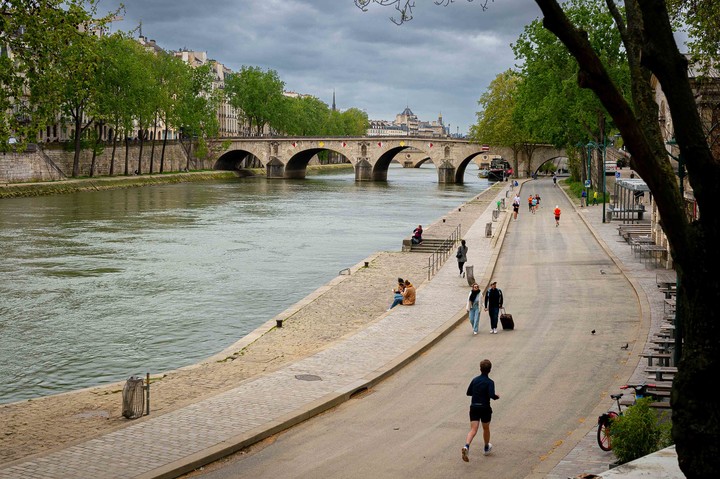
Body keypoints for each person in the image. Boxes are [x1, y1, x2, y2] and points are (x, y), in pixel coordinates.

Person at [461, 359, 500, 462]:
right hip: (485, 408)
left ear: (480, 368)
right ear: (490, 370)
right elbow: (491, 395)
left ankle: (466, 446)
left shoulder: (474, 380)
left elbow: (468, 393)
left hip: (474, 407)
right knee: (485, 428)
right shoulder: (490, 382)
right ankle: (486, 447)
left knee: (473, 429)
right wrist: (496, 397)